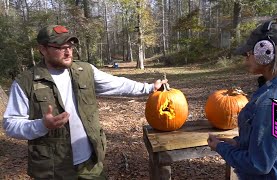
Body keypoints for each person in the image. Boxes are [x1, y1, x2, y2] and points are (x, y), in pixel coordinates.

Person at [2, 25, 167, 179]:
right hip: (53, 170)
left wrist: (149, 88)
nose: (68, 52)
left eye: (70, 47)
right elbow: (11, 124)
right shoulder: (26, 82)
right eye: (60, 48)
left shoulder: (84, 71)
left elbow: (117, 84)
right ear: (43, 49)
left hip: (91, 164)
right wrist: (42, 125)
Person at [207, 21, 277, 179]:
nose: (246, 60)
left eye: (248, 54)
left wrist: (220, 147)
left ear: (265, 52)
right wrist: (239, 144)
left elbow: (258, 164)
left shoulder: (272, 101)